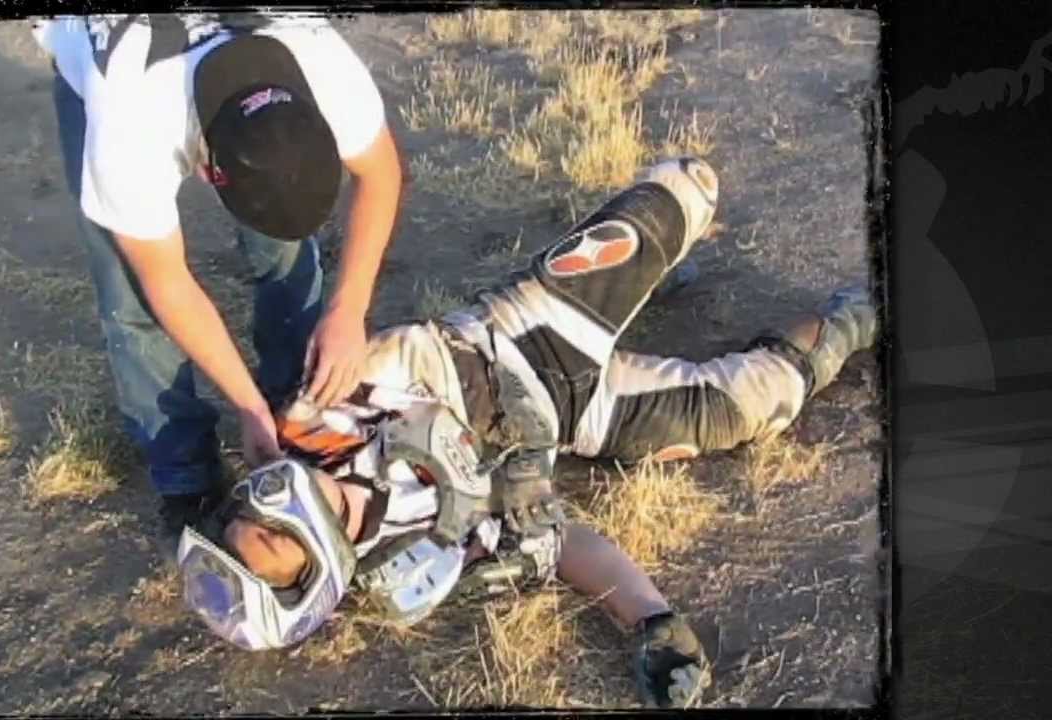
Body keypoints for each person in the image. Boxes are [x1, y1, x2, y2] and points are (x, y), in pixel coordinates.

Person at [174, 157, 880, 708]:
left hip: (524, 331)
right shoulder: (413, 558)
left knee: (688, 186)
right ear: (314, 575)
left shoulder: (306, 424)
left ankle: (646, 279)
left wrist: (498, 461)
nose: (260, 497)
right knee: (752, 407)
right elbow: (562, 542)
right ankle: (857, 316)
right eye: (270, 533)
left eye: (243, 511)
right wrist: (652, 620)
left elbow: (408, 367)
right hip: (577, 414)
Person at [30, 12, 403, 559]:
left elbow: (382, 174)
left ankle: (296, 414)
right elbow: (166, 282)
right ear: (208, 172)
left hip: (225, 52)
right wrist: (245, 405)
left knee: (283, 241)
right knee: (129, 292)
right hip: (101, 48)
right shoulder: (129, 128)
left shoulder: (324, 64)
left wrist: (349, 309)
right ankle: (187, 477)